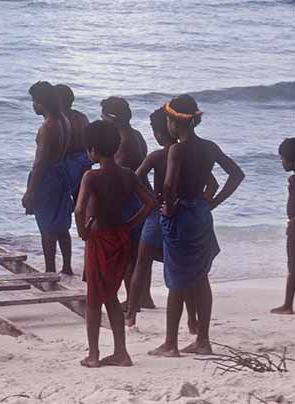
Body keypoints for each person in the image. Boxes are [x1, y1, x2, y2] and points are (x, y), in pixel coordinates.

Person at [149, 95, 244, 358]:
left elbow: (168, 185)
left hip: (181, 216)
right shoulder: (209, 147)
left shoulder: (178, 150)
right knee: (200, 277)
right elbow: (237, 174)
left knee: (176, 280)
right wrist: (212, 202)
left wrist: (169, 206)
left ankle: (171, 343)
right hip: (201, 213)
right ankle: (203, 339)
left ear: (173, 122)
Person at [74, 121, 156, 368]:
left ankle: (94, 354)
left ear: (92, 150)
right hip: (121, 236)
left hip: (99, 238)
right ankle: (121, 351)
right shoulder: (128, 175)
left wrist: (82, 231)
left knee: (93, 300)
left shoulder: (92, 176)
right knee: (110, 294)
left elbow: (79, 209)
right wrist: (131, 223)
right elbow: (150, 203)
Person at [125, 108, 213, 329]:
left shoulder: (157, 156)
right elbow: (212, 184)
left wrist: (150, 199)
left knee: (141, 263)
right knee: (189, 271)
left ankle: (131, 314)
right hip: (187, 214)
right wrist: (204, 203)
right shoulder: (189, 154)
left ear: (159, 133)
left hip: (159, 214)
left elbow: (134, 180)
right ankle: (192, 320)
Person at [100, 96, 148, 309]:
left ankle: (133, 300)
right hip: (142, 195)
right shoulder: (135, 135)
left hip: (130, 199)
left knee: (129, 255)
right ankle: (143, 297)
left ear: (112, 118)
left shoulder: (124, 141)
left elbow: (117, 175)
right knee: (138, 253)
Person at [22, 81, 74, 274]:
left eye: (34, 101)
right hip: (61, 172)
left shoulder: (47, 126)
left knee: (46, 226)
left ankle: (50, 269)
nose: (33, 105)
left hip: (48, 177)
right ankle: (67, 266)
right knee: (61, 223)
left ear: (41, 101)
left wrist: (30, 191)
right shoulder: (64, 121)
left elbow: (40, 162)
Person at [271, 137, 295, 315]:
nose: (282, 162)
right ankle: (287, 304)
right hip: (294, 224)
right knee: (293, 265)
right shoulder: (293, 180)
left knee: (294, 265)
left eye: (283, 158)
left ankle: (288, 305)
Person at [56, 84, 91, 203]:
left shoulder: (59, 120)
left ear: (58, 100)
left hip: (67, 165)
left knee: (61, 203)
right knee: (81, 202)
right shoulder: (82, 117)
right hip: (83, 163)